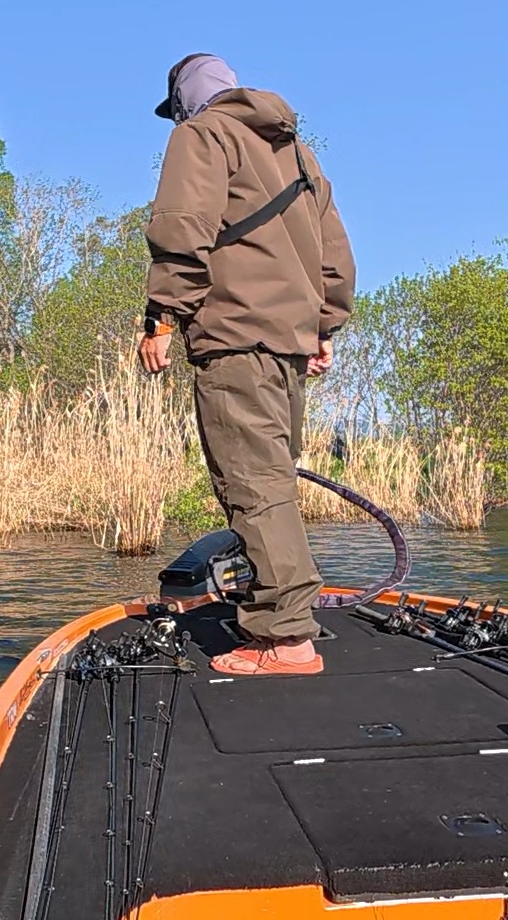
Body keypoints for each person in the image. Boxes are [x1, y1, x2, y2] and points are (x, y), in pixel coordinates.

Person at [137, 53, 355, 676]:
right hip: (287, 341)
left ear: (184, 101)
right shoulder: (298, 154)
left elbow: (184, 227)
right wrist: (322, 325)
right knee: (272, 480)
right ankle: (281, 617)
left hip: (233, 335)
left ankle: (283, 638)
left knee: (252, 485)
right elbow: (335, 255)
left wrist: (162, 316)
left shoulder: (201, 134)